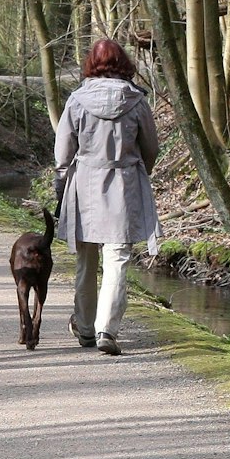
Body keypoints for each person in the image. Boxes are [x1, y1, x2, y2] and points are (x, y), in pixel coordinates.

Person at [55, 39, 159, 356]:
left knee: (86, 261)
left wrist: (61, 183)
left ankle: (85, 328)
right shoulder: (137, 101)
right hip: (123, 185)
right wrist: (138, 168)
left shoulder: (76, 100)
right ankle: (106, 329)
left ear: (91, 65)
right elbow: (151, 149)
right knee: (117, 260)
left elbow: (63, 152)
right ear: (124, 64)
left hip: (84, 185)